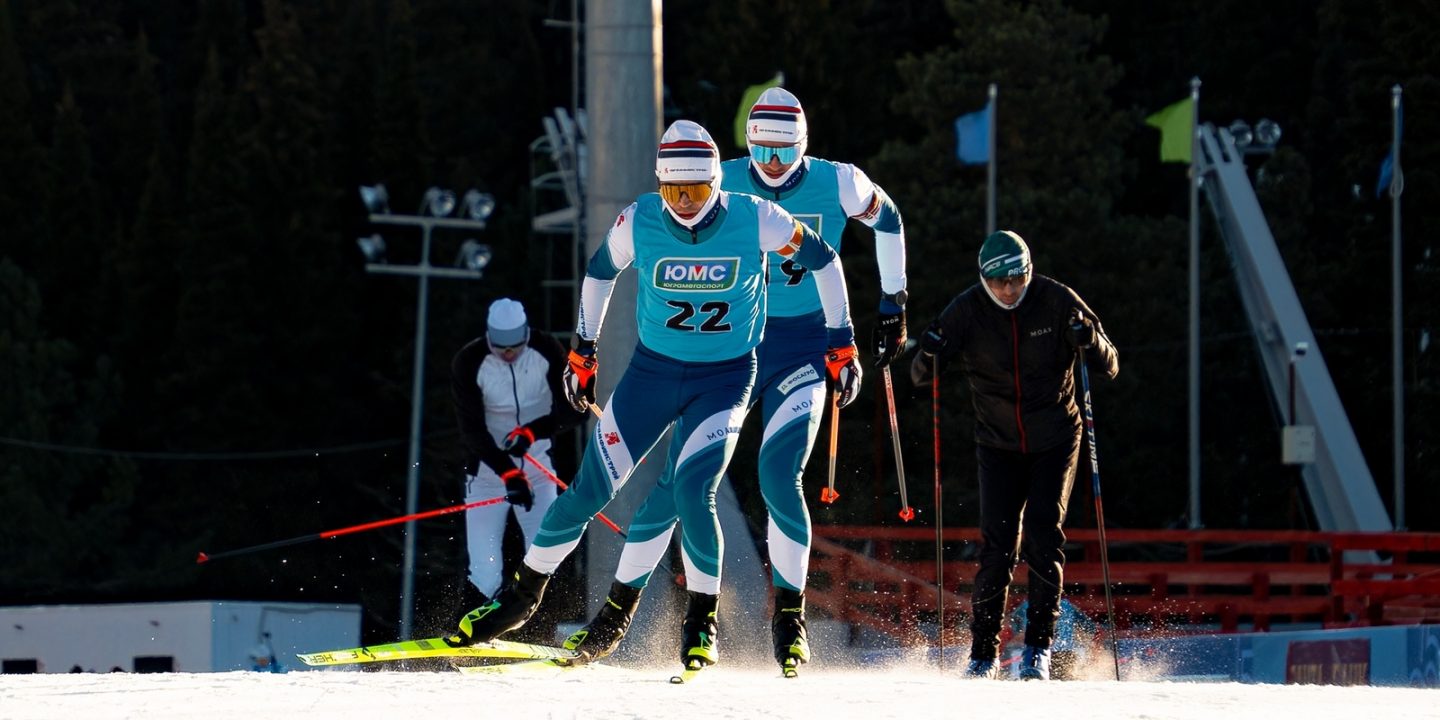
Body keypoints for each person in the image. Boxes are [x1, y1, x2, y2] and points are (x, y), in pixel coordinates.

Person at [446, 120, 861, 673]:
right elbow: (599, 272)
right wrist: (583, 351)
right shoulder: (640, 219)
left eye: (695, 192)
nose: (684, 205)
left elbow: (825, 261)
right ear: (660, 185)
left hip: (723, 379)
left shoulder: (755, 215)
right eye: (673, 192)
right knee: (588, 490)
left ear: (716, 183)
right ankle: (523, 596)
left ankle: (700, 623)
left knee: (693, 490)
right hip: (652, 374)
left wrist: (842, 340)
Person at [567, 87, 908, 674]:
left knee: (780, 474)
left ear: (804, 145)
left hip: (801, 349)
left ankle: (791, 620)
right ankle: (616, 614)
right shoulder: (716, 180)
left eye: (784, 153)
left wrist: (892, 301)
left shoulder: (841, 182)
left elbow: (891, 219)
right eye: (760, 152)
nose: (771, 167)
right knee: (678, 486)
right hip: (724, 356)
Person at [909, 230, 1118, 681]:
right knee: (997, 549)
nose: (1010, 289)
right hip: (998, 444)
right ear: (983, 278)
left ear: (1030, 270)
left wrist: (1089, 340)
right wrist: (929, 350)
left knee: (1045, 538)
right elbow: (921, 375)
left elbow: (1110, 362)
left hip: (1056, 438)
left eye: (1018, 278)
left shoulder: (1057, 299)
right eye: (999, 281)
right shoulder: (967, 308)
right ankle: (982, 654)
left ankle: (1038, 650)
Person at [450, 298, 581, 611]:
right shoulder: (469, 361)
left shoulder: (546, 350)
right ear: (489, 338)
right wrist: (507, 471)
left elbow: (574, 410)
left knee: (544, 557)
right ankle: (472, 637)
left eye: (515, 347)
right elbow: (471, 430)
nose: (508, 355)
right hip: (487, 473)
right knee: (484, 568)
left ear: (526, 336)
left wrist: (532, 432)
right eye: (501, 348)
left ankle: (541, 634)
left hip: (538, 469)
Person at [1007, 597, 1096, 680]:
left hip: (1036, 654)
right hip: (1066, 654)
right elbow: (1090, 629)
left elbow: (1012, 627)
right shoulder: (1067, 605)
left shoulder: (1026, 605)